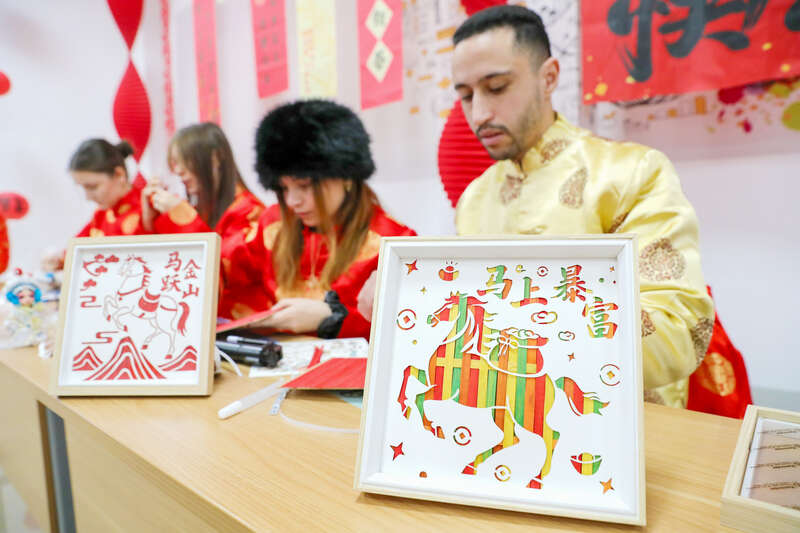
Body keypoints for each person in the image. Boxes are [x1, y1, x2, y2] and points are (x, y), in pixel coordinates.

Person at [451, 6, 714, 408]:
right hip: (502, 415)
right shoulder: (475, 198)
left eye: (497, 87)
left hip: (613, 417)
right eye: (466, 96)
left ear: (549, 77)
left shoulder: (630, 173)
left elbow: (678, 330)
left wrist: (521, 329)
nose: (479, 113)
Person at [245, 99, 416, 339]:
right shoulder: (273, 225)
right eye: (283, 188)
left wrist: (334, 318)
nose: (292, 201)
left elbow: (410, 324)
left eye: (304, 185)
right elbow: (226, 279)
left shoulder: (392, 242)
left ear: (346, 176)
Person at [141, 123, 267, 320]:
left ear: (215, 157)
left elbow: (226, 272)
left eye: (186, 161)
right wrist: (150, 220)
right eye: (175, 163)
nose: (178, 171)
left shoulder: (250, 211)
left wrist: (184, 217)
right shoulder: (199, 211)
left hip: (240, 325)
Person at [69, 139, 147, 238]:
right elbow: (74, 245)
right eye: (83, 188)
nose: (88, 197)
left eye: (92, 187)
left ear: (119, 174)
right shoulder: (100, 215)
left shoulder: (148, 210)